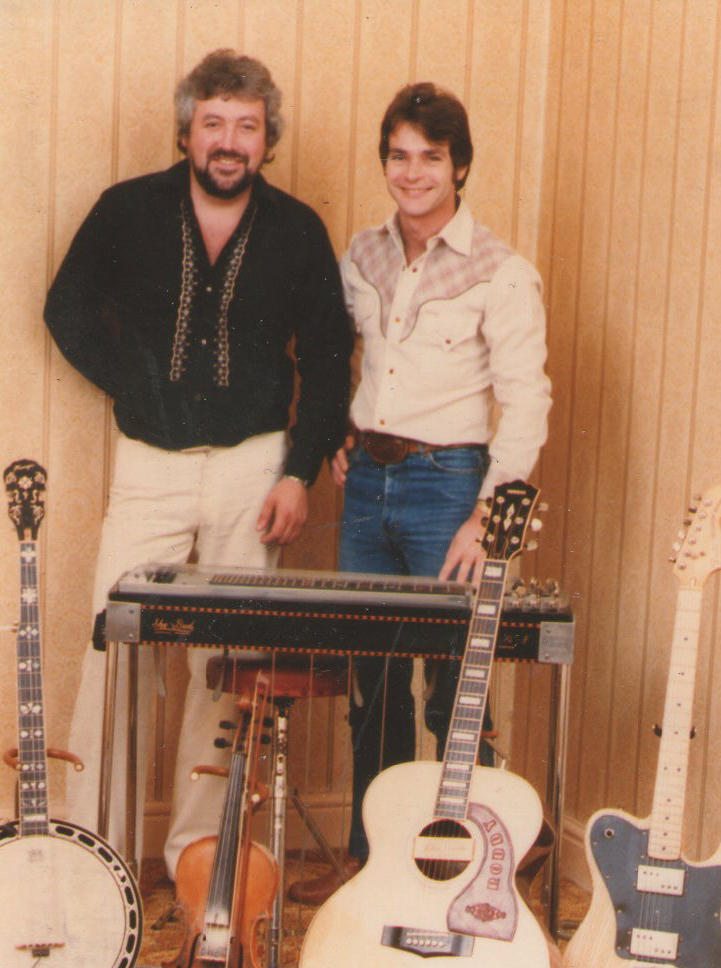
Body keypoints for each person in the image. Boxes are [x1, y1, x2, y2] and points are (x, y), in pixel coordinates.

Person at [43, 49, 352, 878]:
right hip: (151, 464)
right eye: (213, 123)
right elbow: (65, 307)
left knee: (228, 667)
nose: (229, 141)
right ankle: (93, 855)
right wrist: (133, 382)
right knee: (116, 651)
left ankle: (200, 859)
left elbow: (329, 358)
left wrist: (299, 471)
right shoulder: (128, 209)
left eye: (247, 126)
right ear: (186, 131)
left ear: (267, 140)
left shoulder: (297, 231)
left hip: (256, 469)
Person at [288, 81, 551, 904]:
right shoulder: (361, 256)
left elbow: (528, 402)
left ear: (460, 166)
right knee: (372, 683)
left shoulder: (502, 273)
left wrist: (486, 517)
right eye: (398, 156)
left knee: (451, 684)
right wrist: (342, 433)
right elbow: (340, 358)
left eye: (430, 158)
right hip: (368, 484)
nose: (412, 173)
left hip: (450, 490)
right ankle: (377, 863)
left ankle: (483, 861)